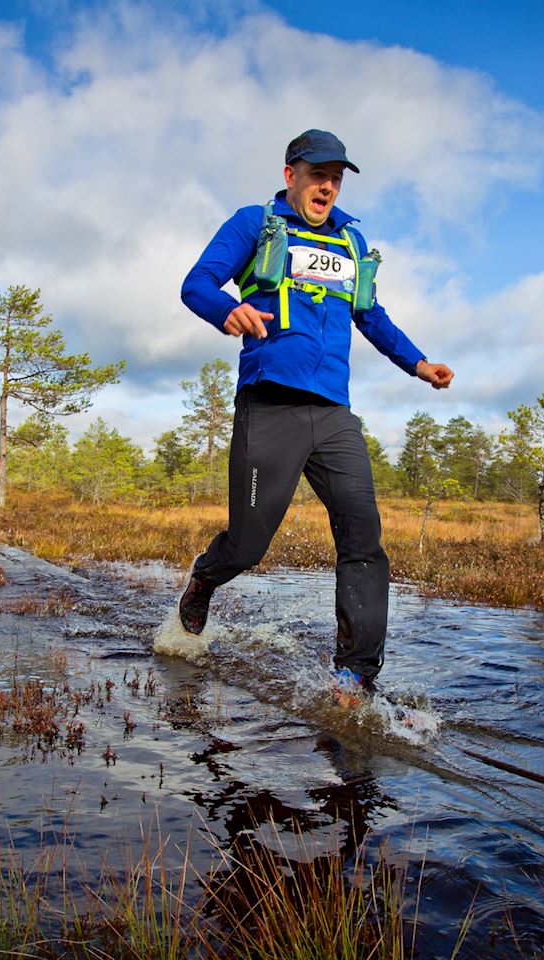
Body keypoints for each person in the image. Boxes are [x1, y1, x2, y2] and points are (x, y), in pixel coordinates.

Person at [177, 129, 454, 695]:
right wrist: (227, 312)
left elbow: (370, 315)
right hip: (269, 403)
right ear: (291, 175)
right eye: (317, 174)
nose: (327, 185)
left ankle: (354, 675)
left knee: (363, 533)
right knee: (250, 544)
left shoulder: (352, 241)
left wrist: (418, 363)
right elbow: (196, 283)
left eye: (335, 177)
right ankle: (206, 577)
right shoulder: (255, 223)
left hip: (333, 413)